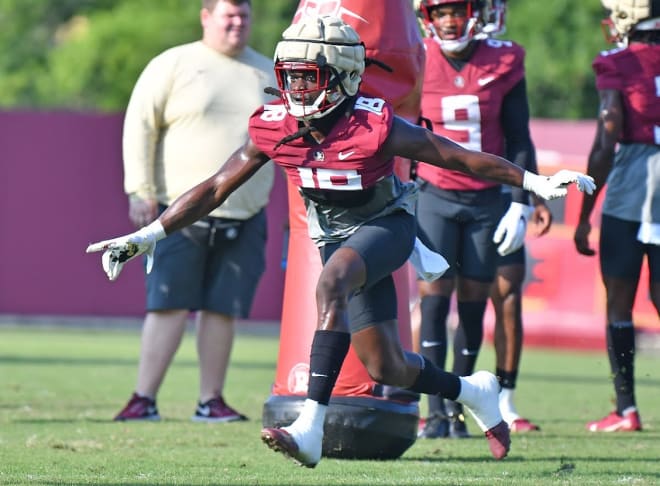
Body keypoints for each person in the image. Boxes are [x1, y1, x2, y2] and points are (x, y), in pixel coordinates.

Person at [87, 15, 594, 466]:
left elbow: (456, 156)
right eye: (290, 78)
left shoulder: (373, 125)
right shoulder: (274, 125)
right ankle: (473, 391)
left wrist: (533, 183)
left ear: (343, 76)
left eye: (310, 78)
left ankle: (309, 426)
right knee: (385, 365)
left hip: (387, 226)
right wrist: (150, 233)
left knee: (330, 285)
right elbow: (217, 187)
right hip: (335, 236)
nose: (298, 91)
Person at [112, 0, 276, 422]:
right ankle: (143, 398)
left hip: (246, 211)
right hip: (179, 212)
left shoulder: (268, 72)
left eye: (244, 15)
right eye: (228, 15)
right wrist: (139, 189)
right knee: (168, 303)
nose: (237, 23)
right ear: (206, 17)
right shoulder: (175, 63)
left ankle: (210, 401)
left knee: (224, 308)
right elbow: (139, 125)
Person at [414, 0, 551, 439]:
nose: (449, 20)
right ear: (427, 18)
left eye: (456, 11)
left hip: (486, 200)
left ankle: (458, 409)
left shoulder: (504, 58)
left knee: (473, 306)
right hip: (433, 194)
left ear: (474, 13)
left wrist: (521, 201)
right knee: (435, 301)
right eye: (441, 13)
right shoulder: (416, 57)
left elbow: (518, 137)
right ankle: (434, 411)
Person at [573, 0, 660, 433]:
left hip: (635, 188)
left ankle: (626, 409)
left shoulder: (618, 62)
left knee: (619, 305)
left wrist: (585, 213)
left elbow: (608, 133)